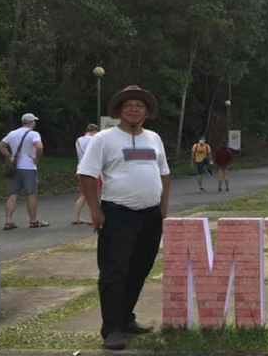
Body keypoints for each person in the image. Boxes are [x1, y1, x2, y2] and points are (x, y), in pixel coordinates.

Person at [77, 85, 170, 351]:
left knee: (140, 268)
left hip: (150, 216)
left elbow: (164, 173)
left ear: (147, 112)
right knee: (114, 272)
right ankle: (112, 329)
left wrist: (164, 207)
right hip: (117, 214)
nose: (133, 109)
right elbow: (86, 175)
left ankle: (127, 317)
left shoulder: (154, 138)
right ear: (119, 111)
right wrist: (95, 210)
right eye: (128, 105)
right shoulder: (104, 139)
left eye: (139, 105)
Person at [0, 113, 48, 230]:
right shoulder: (34, 134)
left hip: (15, 167)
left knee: (13, 194)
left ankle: (8, 221)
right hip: (28, 166)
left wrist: (10, 157)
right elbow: (39, 147)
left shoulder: (12, 133)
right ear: (31, 122)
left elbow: (0, 146)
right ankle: (33, 220)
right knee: (31, 193)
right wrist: (36, 158)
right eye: (34, 121)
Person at [72, 123, 100, 225]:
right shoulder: (93, 140)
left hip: (81, 167)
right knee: (92, 194)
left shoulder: (79, 140)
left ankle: (76, 216)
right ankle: (91, 218)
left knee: (83, 194)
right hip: (92, 169)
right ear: (94, 131)